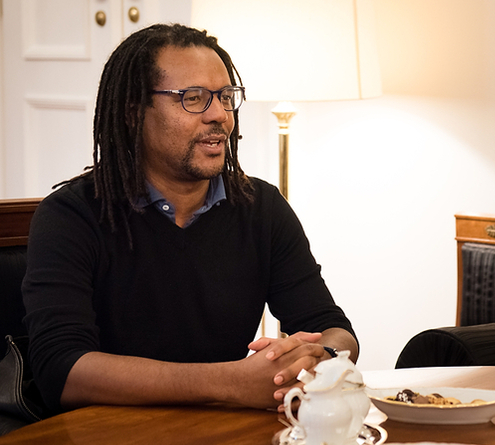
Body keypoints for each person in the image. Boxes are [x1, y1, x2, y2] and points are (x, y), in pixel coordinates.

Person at [23, 24, 357, 414]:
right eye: (193, 98)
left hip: (224, 443)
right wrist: (233, 382)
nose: (219, 115)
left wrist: (320, 354)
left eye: (226, 96)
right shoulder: (71, 215)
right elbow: (62, 370)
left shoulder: (261, 206)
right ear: (133, 112)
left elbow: (335, 330)